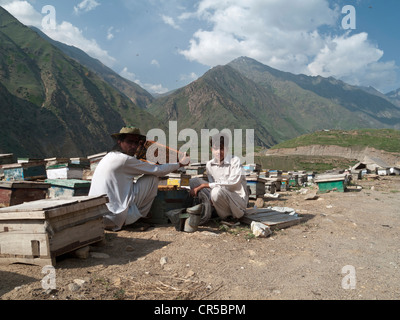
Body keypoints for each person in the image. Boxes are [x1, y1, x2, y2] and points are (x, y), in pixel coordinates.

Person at [89, 126, 190, 231]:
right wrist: (180, 164)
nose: (133, 146)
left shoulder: (110, 156)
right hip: (114, 217)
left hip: (98, 217)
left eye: (136, 143)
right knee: (152, 178)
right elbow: (158, 170)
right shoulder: (124, 159)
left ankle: (131, 216)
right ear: (120, 142)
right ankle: (136, 217)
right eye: (129, 142)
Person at [190, 133, 249, 222]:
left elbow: (233, 183)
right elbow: (212, 182)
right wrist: (209, 196)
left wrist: (204, 186)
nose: (218, 152)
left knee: (215, 191)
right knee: (194, 182)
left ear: (227, 149)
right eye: (215, 149)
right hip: (218, 195)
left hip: (237, 200)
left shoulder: (235, 161)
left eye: (221, 148)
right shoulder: (209, 165)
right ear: (211, 149)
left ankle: (227, 218)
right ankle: (209, 209)